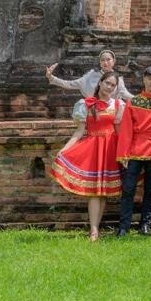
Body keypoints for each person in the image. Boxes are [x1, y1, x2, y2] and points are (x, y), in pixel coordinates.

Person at [50, 71, 126, 240]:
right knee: (94, 191)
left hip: (110, 149)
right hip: (93, 147)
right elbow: (79, 132)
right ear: (100, 82)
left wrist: (124, 152)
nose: (109, 87)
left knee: (103, 192)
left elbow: (119, 131)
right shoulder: (86, 104)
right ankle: (93, 230)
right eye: (107, 83)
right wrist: (64, 149)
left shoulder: (118, 105)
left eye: (113, 85)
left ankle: (96, 228)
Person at [115, 65, 151, 236]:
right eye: (150, 78)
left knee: (150, 189)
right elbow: (126, 130)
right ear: (144, 79)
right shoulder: (134, 101)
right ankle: (124, 226)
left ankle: (145, 224)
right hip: (135, 149)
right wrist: (123, 153)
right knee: (128, 188)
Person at [46, 49, 132, 100]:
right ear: (99, 62)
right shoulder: (91, 76)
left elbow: (125, 94)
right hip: (94, 111)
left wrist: (142, 101)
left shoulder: (118, 79)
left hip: (111, 113)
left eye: (108, 59)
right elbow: (71, 84)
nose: (105, 62)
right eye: (102, 60)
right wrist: (52, 78)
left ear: (114, 61)